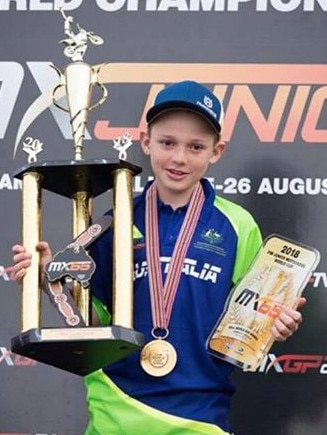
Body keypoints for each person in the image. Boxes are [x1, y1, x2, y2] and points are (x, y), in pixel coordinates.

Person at [12, 80, 304, 435]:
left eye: (196, 146)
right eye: (167, 143)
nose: (179, 158)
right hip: (114, 412)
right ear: (146, 141)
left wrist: (275, 325)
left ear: (217, 151)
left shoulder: (238, 226)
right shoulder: (113, 223)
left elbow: (251, 323)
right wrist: (47, 278)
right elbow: (92, 323)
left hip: (200, 416)